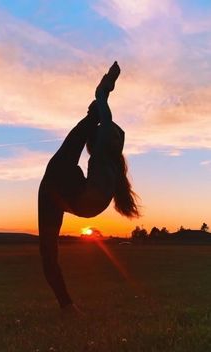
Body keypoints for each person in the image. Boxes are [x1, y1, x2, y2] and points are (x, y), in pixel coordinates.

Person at [38, 62, 139, 311]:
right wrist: (102, 98)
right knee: (48, 251)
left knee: (48, 250)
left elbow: (101, 105)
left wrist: (107, 85)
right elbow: (115, 128)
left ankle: (66, 304)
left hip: (68, 191)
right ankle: (67, 305)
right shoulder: (116, 160)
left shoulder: (104, 144)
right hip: (76, 200)